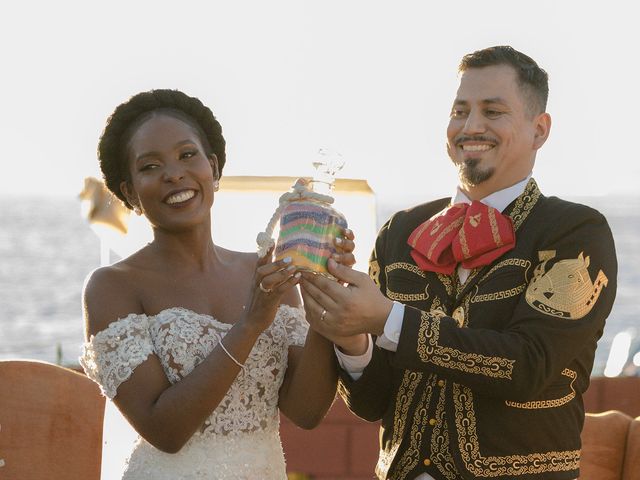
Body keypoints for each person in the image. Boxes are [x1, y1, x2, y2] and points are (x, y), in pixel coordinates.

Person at [299, 46, 617, 480]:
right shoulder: (399, 231)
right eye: (459, 111)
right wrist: (351, 337)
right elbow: (373, 403)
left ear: (539, 130)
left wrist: (389, 319)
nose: (470, 127)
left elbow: (528, 366)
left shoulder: (575, 231)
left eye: (493, 111)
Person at [79, 89, 354, 479]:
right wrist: (251, 323)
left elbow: (305, 413)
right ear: (130, 193)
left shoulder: (264, 273)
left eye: (187, 155)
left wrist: (325, 298)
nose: (174, 173)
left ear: (214, 168)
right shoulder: (112, 287)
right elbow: (166, 431)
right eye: (150, 166)